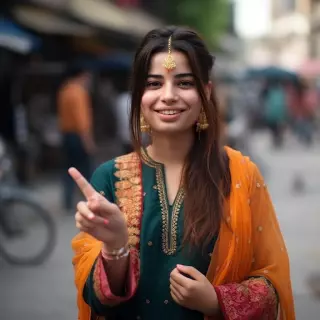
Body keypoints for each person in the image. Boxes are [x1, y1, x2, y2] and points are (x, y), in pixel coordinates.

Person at [70, 26, 295, 320]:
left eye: (184, 83)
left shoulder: (240, 175)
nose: (168, 96)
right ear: (139, 95)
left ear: (206, 92)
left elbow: (271, 284)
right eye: (153, 83)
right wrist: (115, 248)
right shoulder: (108, 177)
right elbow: (96, 300)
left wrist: (216, 301)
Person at [57, 66, 96, 212]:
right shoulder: (79, 92)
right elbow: (82, 121)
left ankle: (67, 202)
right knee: (87, 170)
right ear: (82, 75)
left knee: (69, 169)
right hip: (78, 136)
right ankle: (93, 200)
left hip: (66, 135)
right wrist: (88, 142)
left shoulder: (64, 90)